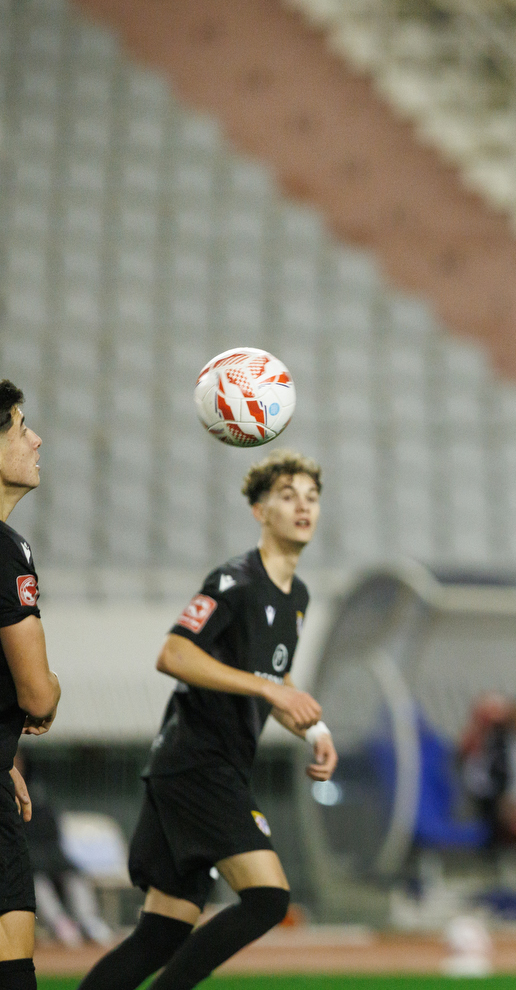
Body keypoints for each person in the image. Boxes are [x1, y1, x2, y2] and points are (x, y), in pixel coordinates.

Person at [77, 451, 337, 990]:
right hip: (197, 762)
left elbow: (272, 680)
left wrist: (314, 729)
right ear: (259, 509)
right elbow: (174, 653)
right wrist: (268, 688)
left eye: (311, 497)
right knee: (268, 898)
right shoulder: (234, 580)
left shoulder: (298, 598)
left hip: (200, 768)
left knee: (162, 932)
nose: (302, 506)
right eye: (287, 495)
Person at [0, 382, 58, 990]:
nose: (36, 438)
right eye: (19, 427)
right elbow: (38, 696)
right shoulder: (7, 550)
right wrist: (52, 690)